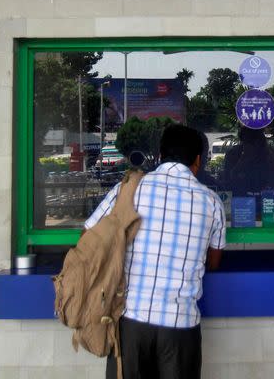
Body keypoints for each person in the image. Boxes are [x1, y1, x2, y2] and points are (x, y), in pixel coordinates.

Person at [84, 124, 226, 379]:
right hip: (180, 325)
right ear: (198, 160)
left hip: (130, 323)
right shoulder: (212, 202)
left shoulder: (128, 188)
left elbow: (88, 238)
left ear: (160, 156)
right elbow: (214, 262)